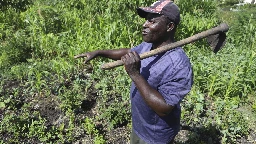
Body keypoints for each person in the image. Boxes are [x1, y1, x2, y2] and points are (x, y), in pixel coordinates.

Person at [74, 0, 193, 143]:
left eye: (151, 21)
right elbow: (129, 52)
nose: (144, 25)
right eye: (146, 20)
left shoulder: (178, 65)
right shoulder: (149, 45)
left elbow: (164, 108)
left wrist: (135, 74)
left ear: (169, 26)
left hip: (155, 136)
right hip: (139, 125)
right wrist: (99, 52)